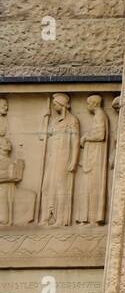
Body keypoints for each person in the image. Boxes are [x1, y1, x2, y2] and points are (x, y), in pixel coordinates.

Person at [37, 93, 79, 226]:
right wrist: (45, 117)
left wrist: (74, 160)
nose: (54, 107)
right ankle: (46, 216)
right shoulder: (54, 121)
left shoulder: (72, 120)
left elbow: (76, 141)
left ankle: (60, 218)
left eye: (55, 104)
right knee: (47, 186)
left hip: (63, 158)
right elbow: (42, 136)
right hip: (52, 158)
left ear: (62, 104)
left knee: (61, 187)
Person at [75, 95, 109, 225]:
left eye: (88, 103)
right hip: (93, 155)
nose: (86, 105)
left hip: (95, 157)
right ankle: (88, 217)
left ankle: (92, 218)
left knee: (92, 185)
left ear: (94, 103)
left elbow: (100, 135)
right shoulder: (99, 115)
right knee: (89, 185)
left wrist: (85, 137)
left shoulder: (100, 115)